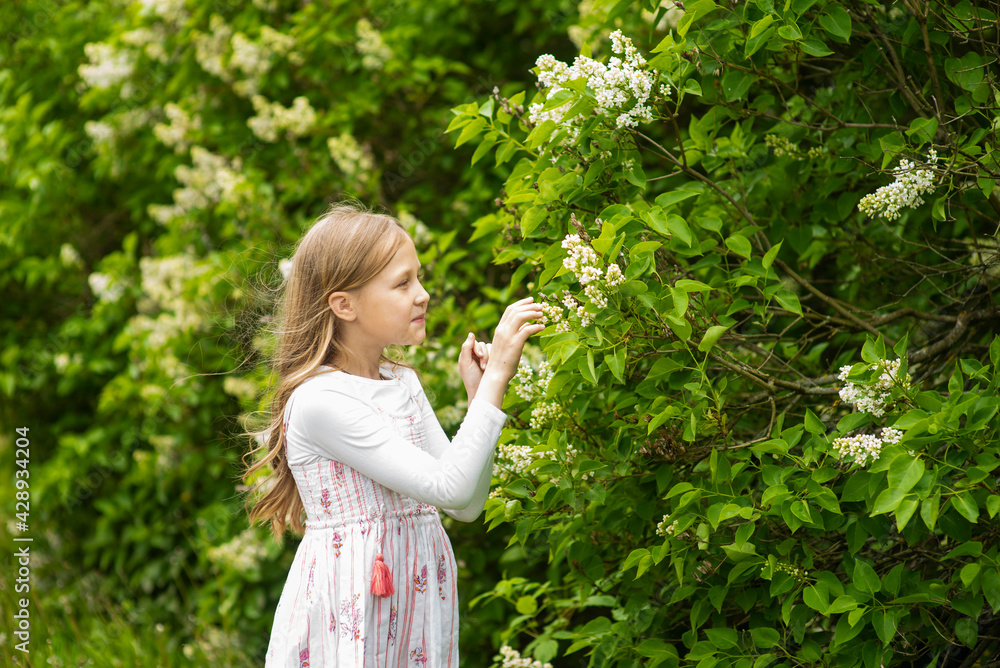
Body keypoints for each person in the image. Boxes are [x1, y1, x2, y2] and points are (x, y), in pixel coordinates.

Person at [241, 200, 544, 667]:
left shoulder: (402, 382)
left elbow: (464, 504)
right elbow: (453, 485)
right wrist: (500, 373)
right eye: (402, 283)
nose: (422, 294)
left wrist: (480, 395)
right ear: (344, 304)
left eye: (418, 278)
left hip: (414, 602)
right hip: (352, 605)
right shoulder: (322, 401)